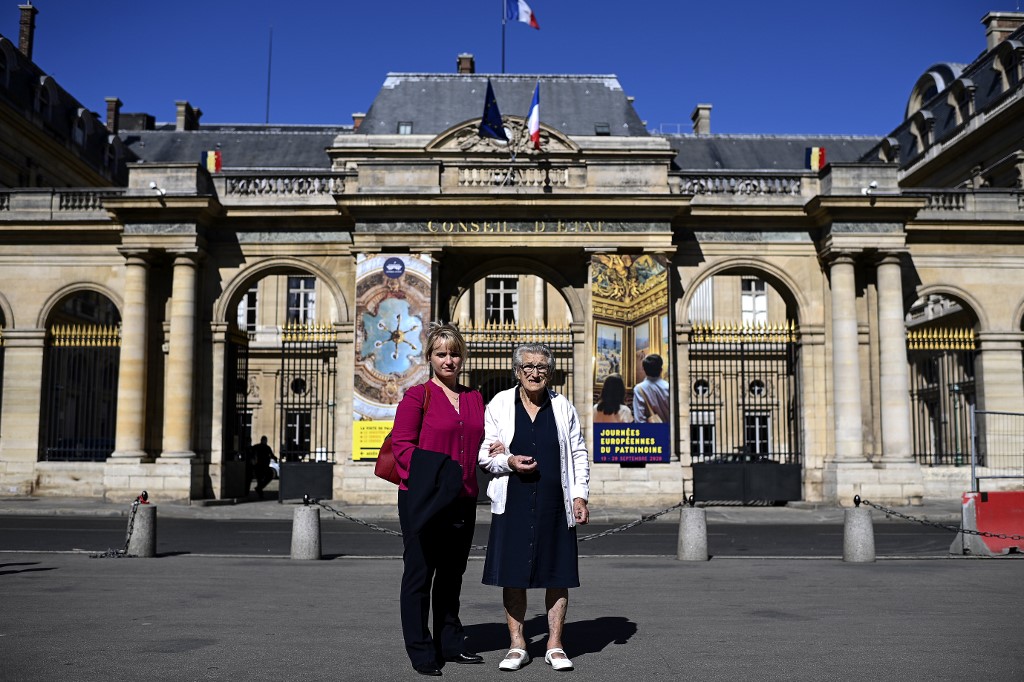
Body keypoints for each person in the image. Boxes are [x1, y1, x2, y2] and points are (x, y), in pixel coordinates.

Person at [478, 342, 590, 672]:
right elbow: (485, 455)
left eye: (541, 367)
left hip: (555, 502)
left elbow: (579, 454)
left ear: (550, 373)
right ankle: (517, 644)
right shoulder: (499, 404)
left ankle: (555, 644)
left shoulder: (563, 407)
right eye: (528, 366)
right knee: (514, 575)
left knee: (558, 573)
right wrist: (509, 460)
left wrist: (580, 497)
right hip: (513, 499)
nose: (535, 372)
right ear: (517, 371)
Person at [391, 323, 492, 676]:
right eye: (441, 353)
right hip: (425, 498)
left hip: (463, 498)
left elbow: (480, 442)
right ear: (430, 357)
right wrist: (444, 469)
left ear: (463, 356)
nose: (449, 360)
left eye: (454, 353)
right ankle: (420, 649)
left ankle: (449, 643)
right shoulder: (418, 397)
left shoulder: (474, 398)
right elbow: (402, 448)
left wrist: (494, 449)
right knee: (419, 575)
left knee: (452, 575)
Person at [632, 353, 670, 424]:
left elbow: (639, 420)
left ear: (644, 369)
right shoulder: (668, 387)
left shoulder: (639, 389)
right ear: (661, 369)